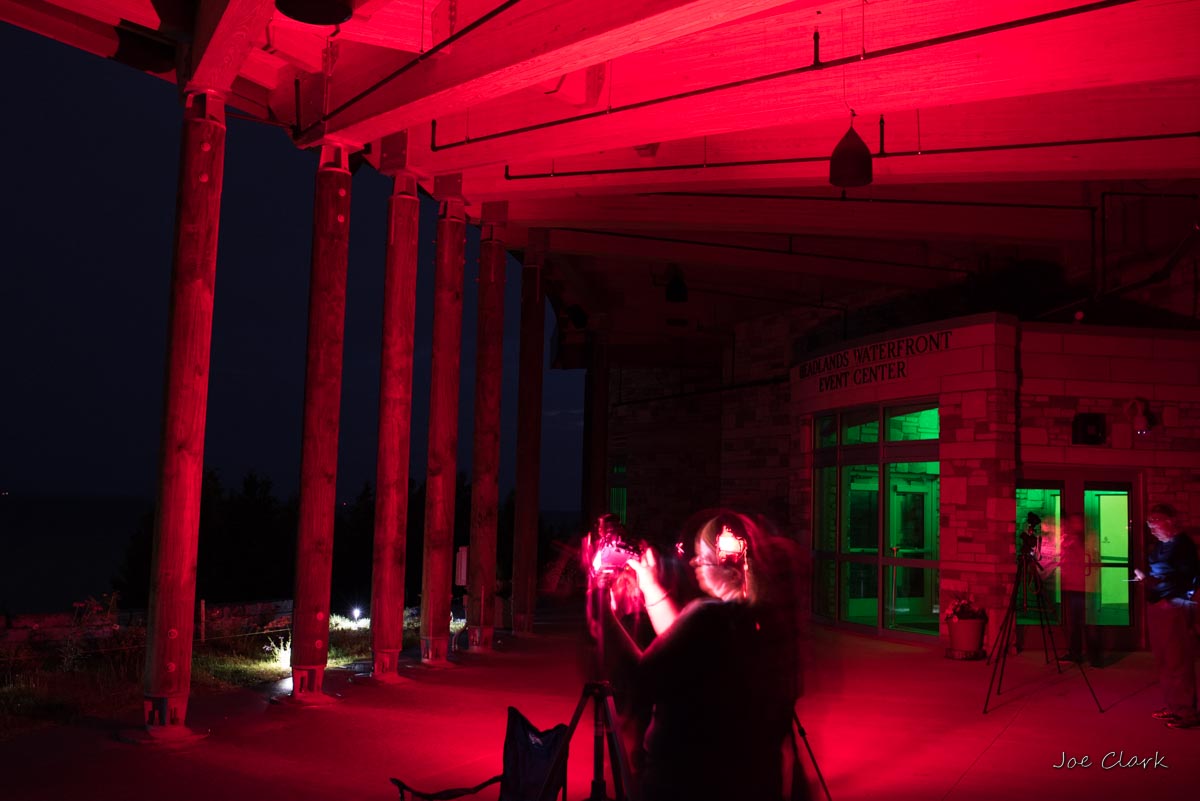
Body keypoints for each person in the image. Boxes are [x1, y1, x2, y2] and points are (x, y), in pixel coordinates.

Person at [598, 509, 805, 801]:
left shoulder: (707, 617)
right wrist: (649, 584)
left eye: (701, 554)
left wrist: (601, 608)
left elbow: (640, 679)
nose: (694, 561)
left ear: (726, 561)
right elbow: (680, 643)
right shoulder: (757, 621)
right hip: (749, 783)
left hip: (685, 782)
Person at [1133, 503, 1198, 729]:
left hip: (1174, 605)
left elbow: (1185, 578)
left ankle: (1186, 711)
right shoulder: (1161, 546)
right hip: (1158, 604)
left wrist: (1153, 583)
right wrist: (1149, 582)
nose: (1151, 527)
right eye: (1149, 523)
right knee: (1163, 659)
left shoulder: (1184, 546)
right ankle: (1173, 705)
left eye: (1156, 521)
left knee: (1177, 659)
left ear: (1171, 520)